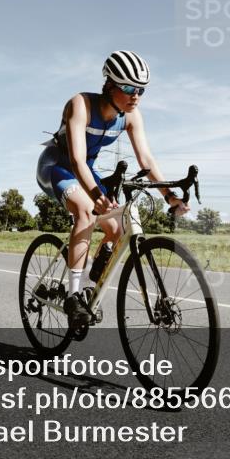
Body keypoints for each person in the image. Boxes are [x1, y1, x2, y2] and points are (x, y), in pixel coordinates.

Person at [37, 50, 189, 328]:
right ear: (108, 85)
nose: (136, 96)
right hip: (56, 166)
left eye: (141, 90)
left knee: (118, 230)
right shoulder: (80, 104)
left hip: (86, 171)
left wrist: (169, 196)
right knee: (86, 211)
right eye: (129, 88)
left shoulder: (131, 116)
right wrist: (96, 196)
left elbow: (146, 160)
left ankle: (87, 283)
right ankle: (73, 297)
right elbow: (76, 159)